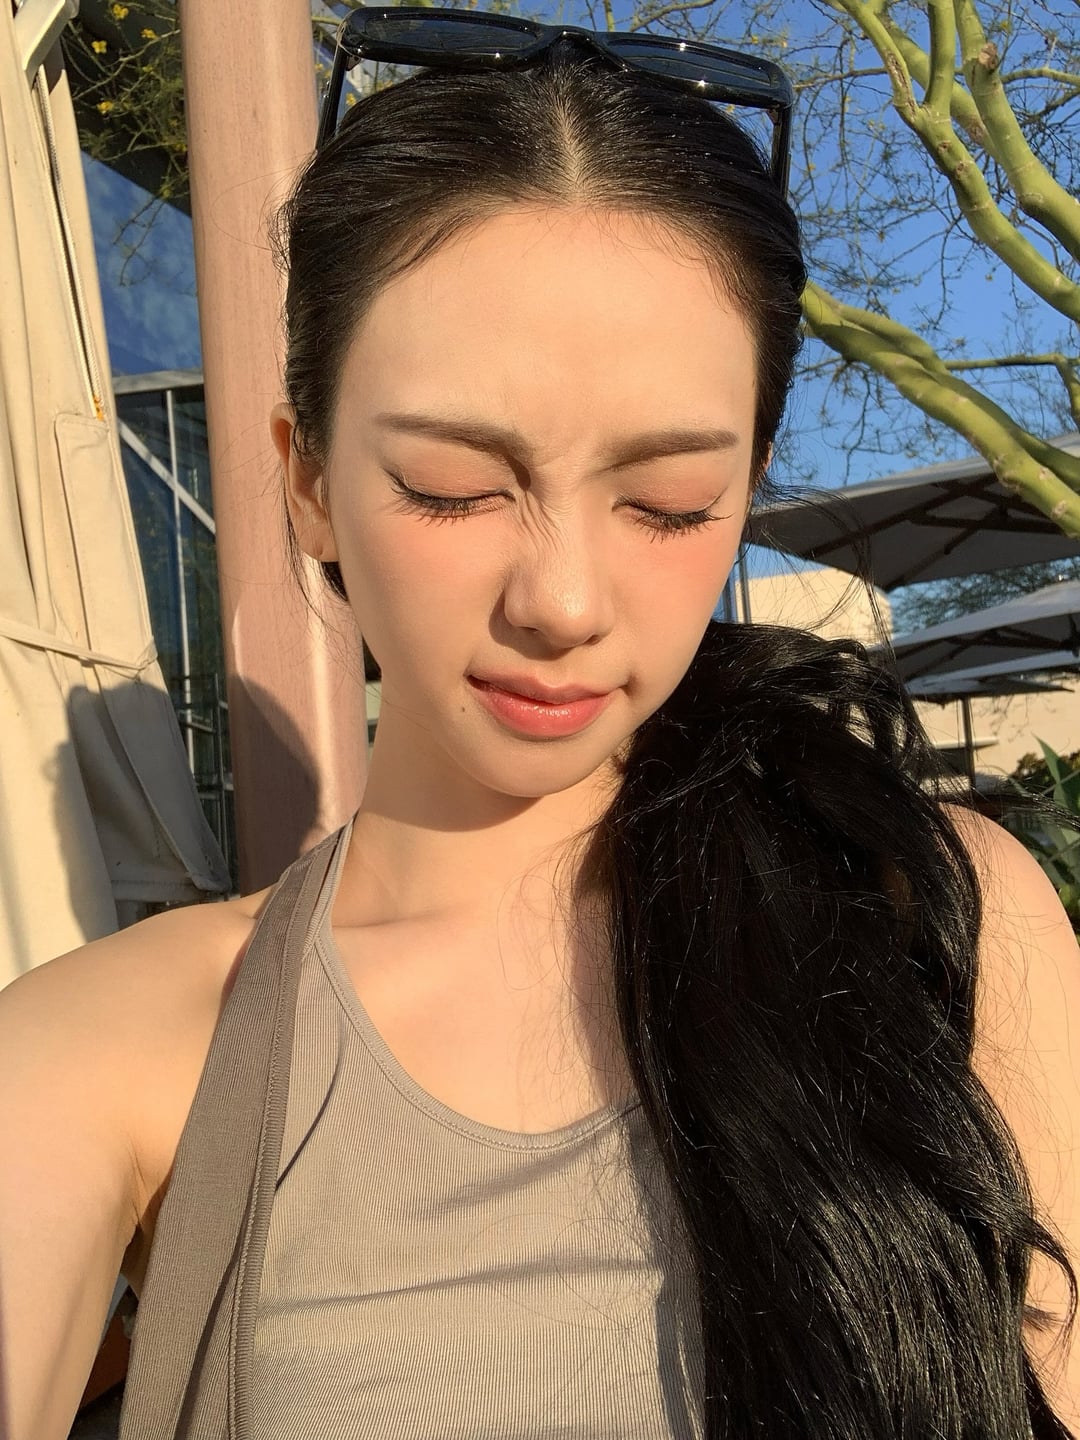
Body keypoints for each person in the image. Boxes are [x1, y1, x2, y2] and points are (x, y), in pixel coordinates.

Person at [2, 11, 1079, 1439]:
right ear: (307, 480)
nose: (562, 602)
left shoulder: (935, 916)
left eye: (669, 505)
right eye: (453, 486)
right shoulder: (124, 1045)